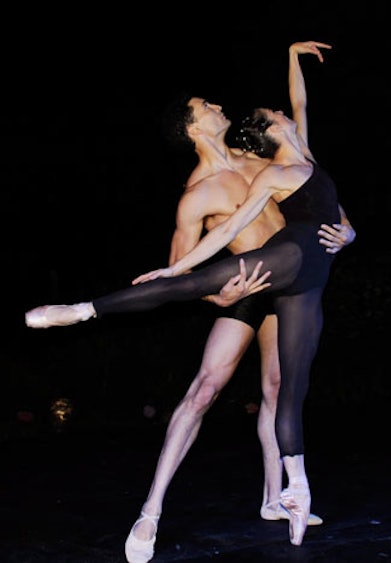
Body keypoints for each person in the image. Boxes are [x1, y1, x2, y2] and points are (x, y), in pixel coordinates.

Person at [25, 43, 354, 554]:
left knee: (275, 386)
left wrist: (345, 232)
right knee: (204, 389)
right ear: (192, 128)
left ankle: (275, 497)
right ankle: (150, 513)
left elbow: (311, 171)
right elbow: (187, 268)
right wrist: (221, 299)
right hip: (237, 293)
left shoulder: (257, 158)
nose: (219, 107)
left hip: (284, 280)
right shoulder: (197, 193)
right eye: (207, 107)